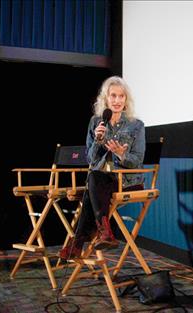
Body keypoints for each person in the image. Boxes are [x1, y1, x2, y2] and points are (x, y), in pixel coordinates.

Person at [59, 76, 145, 259]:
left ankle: (79, 242)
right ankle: (104, 231)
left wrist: (122, 155)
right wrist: (98, 140)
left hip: (125, 180)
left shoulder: (136, 125)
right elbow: (90, 159)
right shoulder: (95, 122)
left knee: (93, 181)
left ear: (126, 99)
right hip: (99, 180)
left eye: (121, 96)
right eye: (113, 96)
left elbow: (137, 161)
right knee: (95, 178)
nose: (117, 101)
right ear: (105, 99)